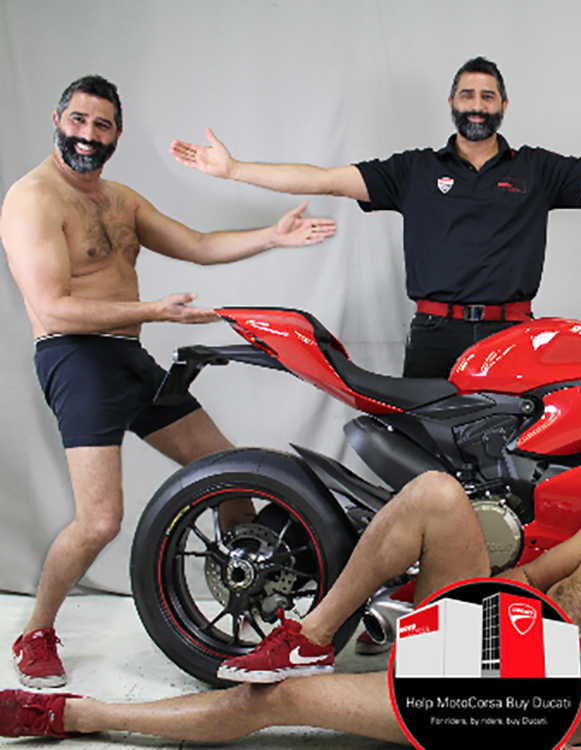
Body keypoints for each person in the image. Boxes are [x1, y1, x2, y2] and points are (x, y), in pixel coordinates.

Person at [0, 459, 581, 749]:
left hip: (509, 714)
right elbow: (527, 579)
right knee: (435, 492)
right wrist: (477, 621)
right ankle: (312, 633)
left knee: (276, 700)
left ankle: (76, 715)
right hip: (489, 643)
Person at [0, 75, 338, 690]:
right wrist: (156, 311)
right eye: (78, 120)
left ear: (117, 134)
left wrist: (273, 236)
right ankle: (36, 633)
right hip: (75, 359)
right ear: (57, 120)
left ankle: (255, 602)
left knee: (229, 473)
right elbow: (53, 309)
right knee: (100, 521)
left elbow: (199, 244)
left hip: (127, 355)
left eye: (102, 125)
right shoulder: (32, 199)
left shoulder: (119, 199)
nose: (88, 135)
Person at [169, 56, 581, 379]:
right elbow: (324, 178)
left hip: (515, 333)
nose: (477, 106)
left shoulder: (537, 169)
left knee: (513, 462)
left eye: (487, 96)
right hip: (436, 336)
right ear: (452, 104)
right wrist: (235, 169)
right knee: (426, 466)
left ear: (504, 105)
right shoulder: (412, 170)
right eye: (467, 95)